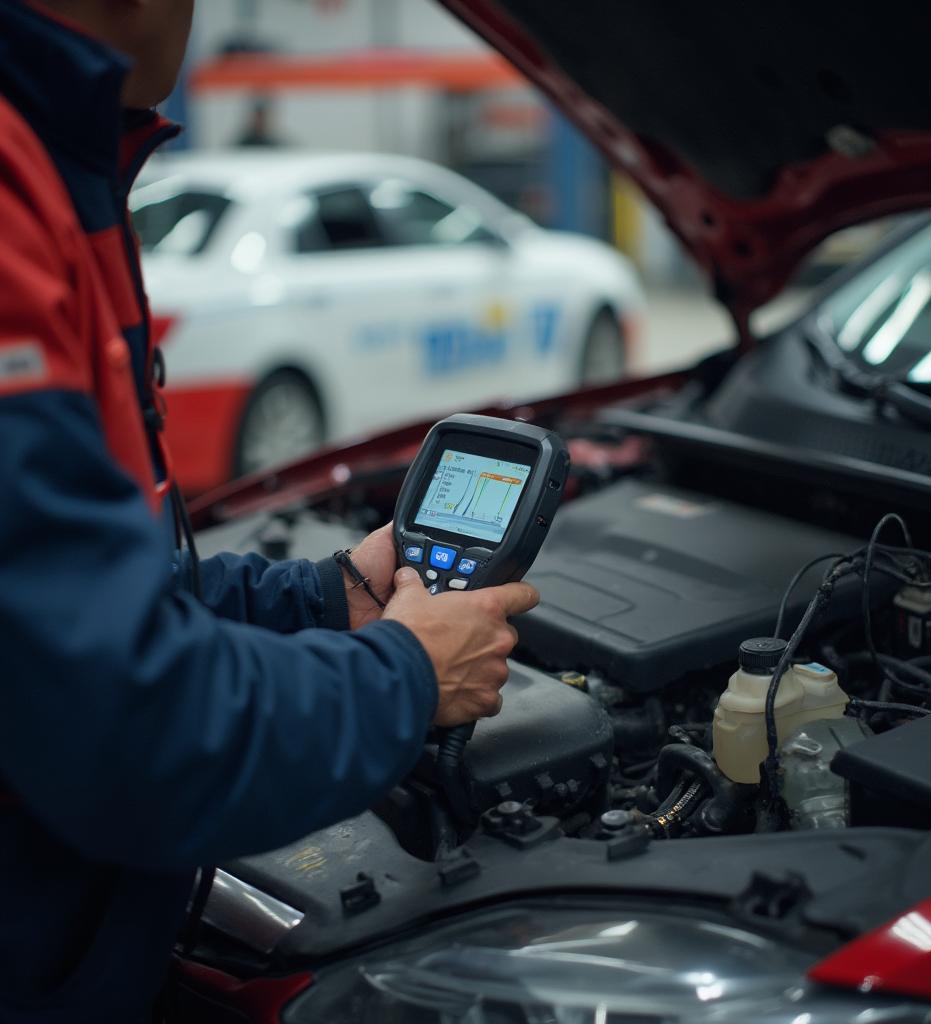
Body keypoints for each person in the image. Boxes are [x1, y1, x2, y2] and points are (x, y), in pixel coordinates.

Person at [0, 1, 538, 1020]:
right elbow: (127, 731)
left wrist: (320, 598)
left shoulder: (55, 143)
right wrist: (406, 677)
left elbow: (60, 608)